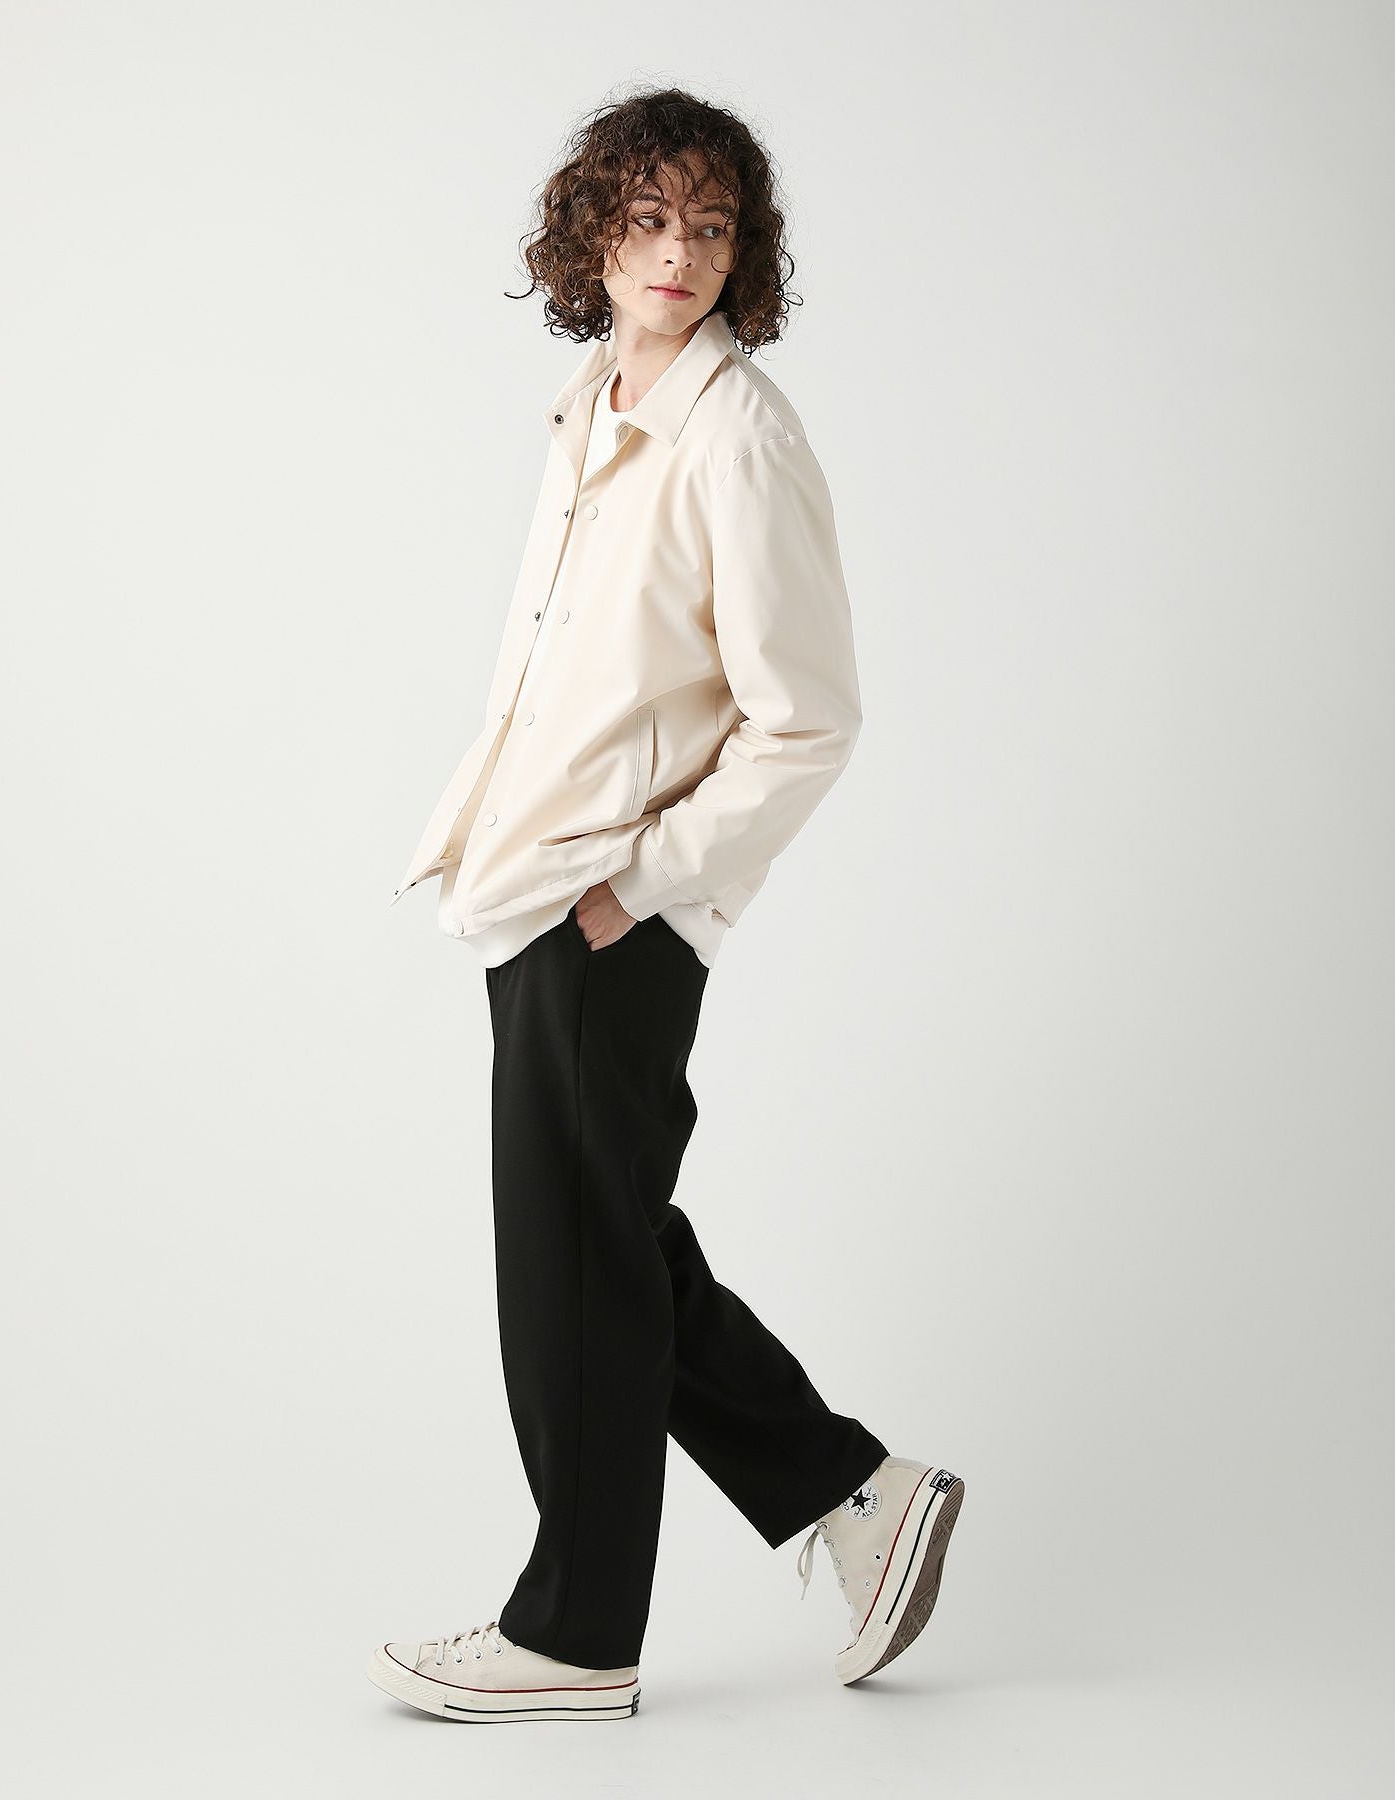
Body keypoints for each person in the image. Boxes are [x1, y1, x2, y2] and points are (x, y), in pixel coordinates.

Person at [367, 87, 965, 1725]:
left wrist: (640, 886)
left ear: (741, 250)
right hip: (534, 888)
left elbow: (808, 720)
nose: (679, 252)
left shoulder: (737, 435)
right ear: (594, 235)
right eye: (648, 219)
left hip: (610, 908)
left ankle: (577, 1637)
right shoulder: (592, 409)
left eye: (710, 225)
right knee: (604, 1252)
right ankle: (856, 1499)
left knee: (574, 1270)